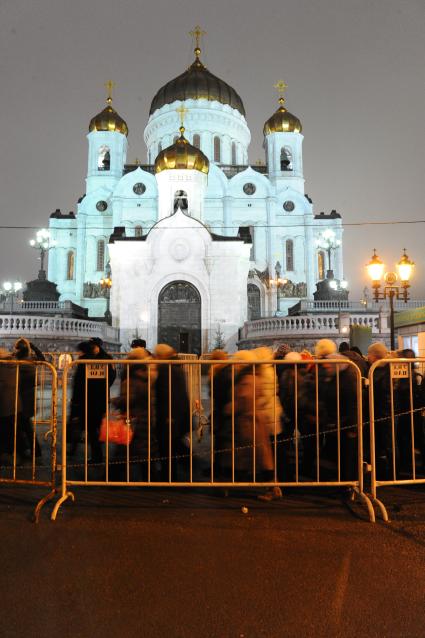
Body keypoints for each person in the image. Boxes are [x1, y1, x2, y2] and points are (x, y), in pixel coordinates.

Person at [111, 347, 158, 481]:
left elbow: (129, 398)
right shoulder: (146, 374)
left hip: (133, 420)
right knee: (145, 452)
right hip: (144, 418)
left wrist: (115, 401)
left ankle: (111, 479)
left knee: (124, 451)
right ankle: (151, 480)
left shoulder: (132, 377)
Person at [69, 340, 116, 464]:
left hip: (94, 398)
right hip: (90, 398)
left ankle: (96, 456)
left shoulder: (97, 359)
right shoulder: (97, 359)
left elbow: (111, 376)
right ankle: (78, 449)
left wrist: (102, 387)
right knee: (89, 426)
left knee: (91, 427)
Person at [154, 344, 190, 481]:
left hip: (169, 415)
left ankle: (168, 475)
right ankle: (173, 471)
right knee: (172, 444)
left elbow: (167, 394)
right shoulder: (176, 366)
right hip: (176, 414)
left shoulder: (165, 368)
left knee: (167, 446)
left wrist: (168, 416)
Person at [12, 338, 44, 458]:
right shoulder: (31, 360)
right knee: (24, 425)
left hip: (21, 397)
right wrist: (34, 348)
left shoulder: (18, 361)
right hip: (29, 396)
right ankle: (28, 449)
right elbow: (42, 359)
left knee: (24, 425)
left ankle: (32, 450)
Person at [367, 342, 393, 479]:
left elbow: (380, 394)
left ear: (375, 356)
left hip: (383, 413)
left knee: (387, 443)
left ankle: (390, 472)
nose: (367, 357)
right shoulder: (386, 368)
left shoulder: (378, 371)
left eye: (369, 354)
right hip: (385, 412)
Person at [0, 348, 22, 459]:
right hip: (14, 403)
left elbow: (2, 384)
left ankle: (7, 454)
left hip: (4, 404)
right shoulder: (14, 363)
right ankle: (15, 452)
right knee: (13, 429)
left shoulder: (3, 367)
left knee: (5, 430)